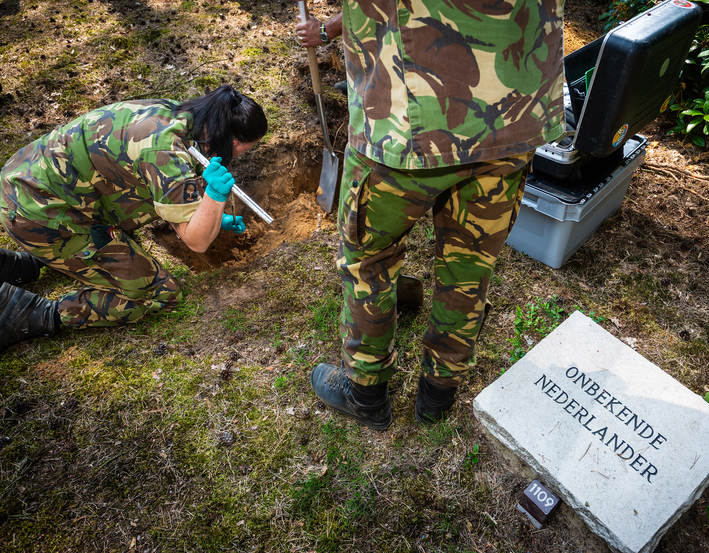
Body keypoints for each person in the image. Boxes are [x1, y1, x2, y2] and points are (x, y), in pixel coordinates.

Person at [310, 0, 566, 429]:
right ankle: (438, 394)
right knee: (469, 265)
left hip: (402, 123)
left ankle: (367, 393)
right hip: (511, 118)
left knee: (368, 263)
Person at [0, 85, 267, 350]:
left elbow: (166, 192)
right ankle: (32, 312)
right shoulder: (164, 152)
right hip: (36, 212)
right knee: (160, 293)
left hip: (31, 177)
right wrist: (215, 197)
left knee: (131, 212)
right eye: (246, 148)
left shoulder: (182, 116)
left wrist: (211, 217)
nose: (243, 154)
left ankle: (27, 264)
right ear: (233, 142)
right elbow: (196, 242)